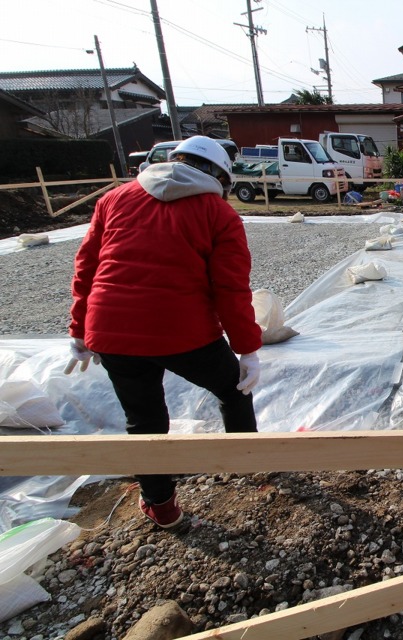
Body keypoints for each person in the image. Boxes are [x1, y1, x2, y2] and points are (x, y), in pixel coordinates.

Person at [67, 135, 262, 530]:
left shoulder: (115, 199)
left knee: (143, 420)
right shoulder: (218, 214)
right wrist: (248, 350)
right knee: (233, 389)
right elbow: (231, 289)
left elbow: (86, 266)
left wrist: (79, 331)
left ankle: (161, 506)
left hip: (112, 331)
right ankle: (250, 465)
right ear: (220, 178)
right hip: (184, 332)